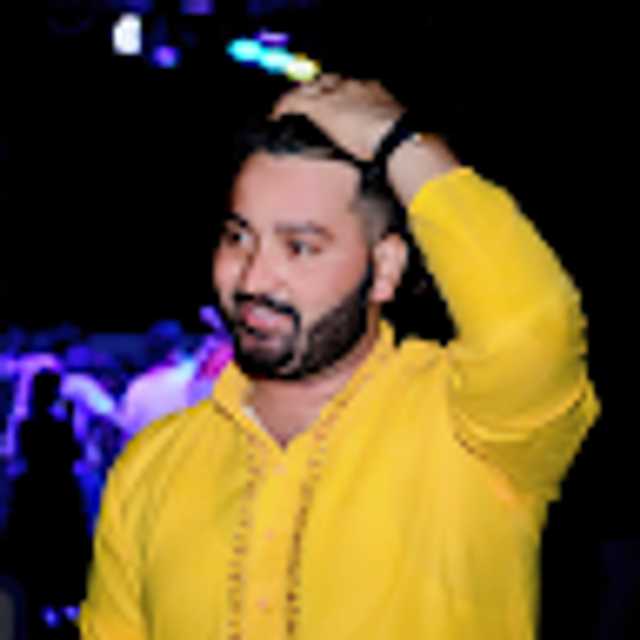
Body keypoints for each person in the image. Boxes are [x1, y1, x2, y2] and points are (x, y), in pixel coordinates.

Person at [79, 76, 600, 639]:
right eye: (238, 237)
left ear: (386, 268)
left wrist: (398, 142)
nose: (253, 279)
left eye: (300, 247)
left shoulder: (472, 430)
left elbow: (532, 328)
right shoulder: (153, 466)